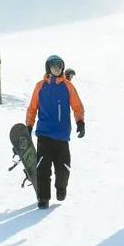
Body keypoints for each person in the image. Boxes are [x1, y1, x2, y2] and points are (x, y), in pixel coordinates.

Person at [26, 55, 85, 209]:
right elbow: (32, 108)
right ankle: (43, 198)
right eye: (53, 66)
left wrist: (80, 122)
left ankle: (61, 188)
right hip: (44, 135)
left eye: (59, 67)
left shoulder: (67, 86)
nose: (56, 69)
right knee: (43, 168)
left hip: (61, 135)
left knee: (63, 167)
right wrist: (29, 126)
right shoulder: (40, 86)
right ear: (48, 68)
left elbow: (77, 105)